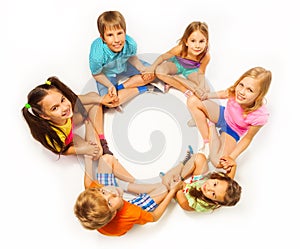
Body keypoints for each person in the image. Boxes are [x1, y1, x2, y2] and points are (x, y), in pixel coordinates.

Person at [74, 148, 182, 236]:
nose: (112, 194)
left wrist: (87, 159)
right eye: (109, 203)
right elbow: (154, 217)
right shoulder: (129, 214)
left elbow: (88, 184)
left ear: (98, 190)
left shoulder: (95, 193)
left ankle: (130, 184)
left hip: (110, 199)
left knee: (106, 159)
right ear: (113, 215)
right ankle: (129, 187)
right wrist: (173, 190)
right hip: (129, 206)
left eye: (103, 193)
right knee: (163, 189)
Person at [187, 66, 272, 172]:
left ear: (259, 95)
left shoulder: (260, 115)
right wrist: (207, 96)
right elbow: (225, 93)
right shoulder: (236, 91)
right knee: (192, 101)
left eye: (249, 90)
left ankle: (210, 125)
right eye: (241, 85)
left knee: (218, 162)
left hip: (233, 131)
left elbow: (247, 138)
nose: (242, 91)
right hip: (223, 114)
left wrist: (231, 157)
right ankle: (207, 141)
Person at [22, 76, 114, 158]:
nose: (65, 107)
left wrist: (101, 99)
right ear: (45, 116)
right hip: (69, 140)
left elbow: (75, 98)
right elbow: (63, 151)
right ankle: (90, 122)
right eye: (54, 108)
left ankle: (102, 139)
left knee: (93, 96)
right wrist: (84, 149)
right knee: (97, 153)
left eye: (62, 100)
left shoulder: (66, 110)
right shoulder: (52, 135)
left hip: (70, 122)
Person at [89, 10, 157, 111]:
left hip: (125, 64)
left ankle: (120, 88)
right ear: (103, 38)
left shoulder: (130, 43)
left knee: (154, 72)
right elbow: (96, 74)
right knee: (109, 102)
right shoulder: (97, 56)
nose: (116, 40)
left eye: (119, 33)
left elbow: (131, 57)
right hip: (107, 74)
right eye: (110, 35)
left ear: (125, 32)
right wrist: (110, 86)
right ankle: (144, 88)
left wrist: (142, 68)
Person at [162, 148, 242, 212]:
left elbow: (185, 206)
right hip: (198, 181)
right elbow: (230, 177)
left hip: (188, 192)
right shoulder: (223, 185)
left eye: (213, 194)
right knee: (200, 157)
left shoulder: (202, 204)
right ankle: (182, 171)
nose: (209, 188)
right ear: (219, 178)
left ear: (215, 202)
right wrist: (234, 165)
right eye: (214, 184)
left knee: (169, 183)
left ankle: (174, 180)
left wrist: (178, 190)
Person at [147, 21, 210, 98]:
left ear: (206, 42)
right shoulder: (179, 49)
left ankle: (174, 80)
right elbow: (163, 57)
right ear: (186, 42)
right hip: (177, 64)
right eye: (193, 41)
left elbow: (201, 73)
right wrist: (152, 67)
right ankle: (179, 84)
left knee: (206, 90)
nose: (197, 45)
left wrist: (201, 86)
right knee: (159, 71)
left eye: (201, 41)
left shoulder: (206, 56)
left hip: (191, 70)